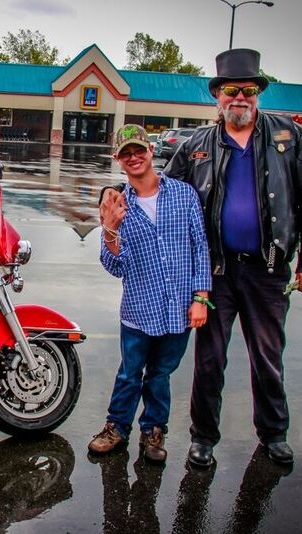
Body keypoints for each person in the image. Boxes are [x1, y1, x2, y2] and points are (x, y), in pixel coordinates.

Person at [102, 48, 302, 467]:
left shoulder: (287, 136)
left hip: (268, 268)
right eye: (231, 90)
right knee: (209, 360)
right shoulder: (198, 145)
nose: (239, 97)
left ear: (258, 93)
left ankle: (274, 434)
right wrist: (112, 195)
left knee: (268, 356)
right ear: (217, 95)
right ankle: (203, 438)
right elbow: (155, 185)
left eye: (248, 90)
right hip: (217, 270)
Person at [88, 124, 211, 463]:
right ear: (117, 159)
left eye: (138, 150)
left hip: (179, 308)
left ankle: (153, 431)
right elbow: (116, 266)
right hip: (139, 309)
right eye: (125, 153)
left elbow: (200, 247)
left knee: (160, 374)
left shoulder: (184, 195)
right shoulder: (117, 205)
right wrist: (110, 229)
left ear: (151, 151)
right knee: (130, 373)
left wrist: (201, 298)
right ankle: (116, 427)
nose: (134, 157)